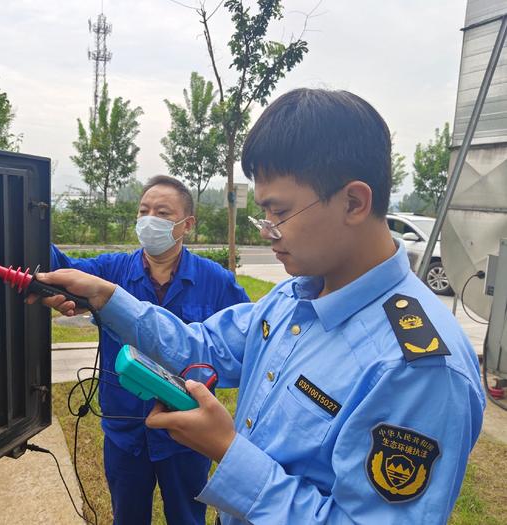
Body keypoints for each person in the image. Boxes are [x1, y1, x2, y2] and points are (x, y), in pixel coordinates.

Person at [31, 89, 485, 524]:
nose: (267, 231)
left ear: (353, 202)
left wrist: (229, 453)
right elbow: (203, 345)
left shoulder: (417, 369)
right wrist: (106, 297)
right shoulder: (297, 295)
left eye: (279, 213)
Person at [49, 175, 249, 525]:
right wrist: (30, 224)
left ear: (186, 225)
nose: (149, 219)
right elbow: (59, 268)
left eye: (161, 212)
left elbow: (249, 346)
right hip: (125, 431)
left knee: (187, 517)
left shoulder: (216, 282)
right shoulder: (111, 272)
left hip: (186, 436)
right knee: (127, 517)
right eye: (143, 211)